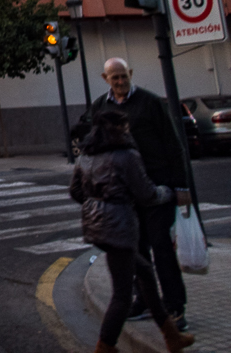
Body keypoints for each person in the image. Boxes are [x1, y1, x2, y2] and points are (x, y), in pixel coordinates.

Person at [69, 110, 194, 353]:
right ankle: (105, 346)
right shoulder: (126, 156)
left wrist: (98, 200)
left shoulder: (86, 156)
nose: (129, 131)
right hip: (119, 227)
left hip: (96, 225)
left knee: (145, 273)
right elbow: (146, 194)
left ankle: (171, 335)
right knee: (122, 295)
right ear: (118, 129)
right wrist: (166, 192)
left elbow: (75, 192)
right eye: (125, 127)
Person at [86, 58, 191, 330]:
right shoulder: (100, 107)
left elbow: (173, 144)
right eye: (115, 78)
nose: (120, 82)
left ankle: (175, 307)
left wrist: (181, 186)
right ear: (105, 78)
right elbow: (95, 147)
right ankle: (144, 300)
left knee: (161, 248)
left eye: (124, 77)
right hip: (125, 195)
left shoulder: (151, 103)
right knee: (135, 251)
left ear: (130, 74)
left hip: (157, 189)